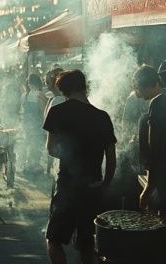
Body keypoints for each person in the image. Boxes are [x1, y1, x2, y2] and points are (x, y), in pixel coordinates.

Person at [44, 70, 116, 264]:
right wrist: (105, 184)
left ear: (63, 91)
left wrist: (72, 156)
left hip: (67, 185)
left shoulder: (57, 112)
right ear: (85, 87)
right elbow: (111, 158)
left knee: (53, 239)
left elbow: (51, 149)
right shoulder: (102, 117)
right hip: (93, 186)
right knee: (87, 244)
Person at [133, 65, 166, 213]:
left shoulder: (158, 102)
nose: (137, 92)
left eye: (138, 87)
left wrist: (148, 187)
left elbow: (155, 148)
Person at [20, 73, 48, 174]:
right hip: (37, 125)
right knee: (36, 146)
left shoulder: (24, 95)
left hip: (26, 124)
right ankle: (33, 165)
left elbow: (23, 110)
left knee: (29, 144)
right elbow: (44, 111)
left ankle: (28, 165)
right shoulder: (40, 95)